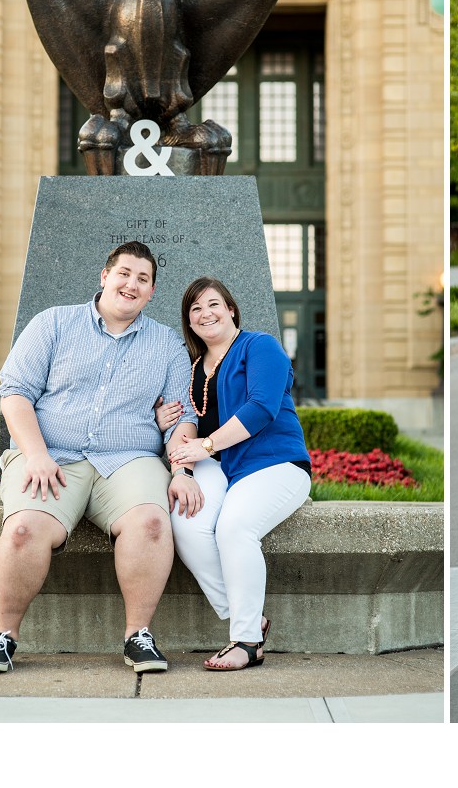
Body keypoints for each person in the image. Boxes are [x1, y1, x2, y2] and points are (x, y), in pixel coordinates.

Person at [0, 241, 198, 674]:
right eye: (124, 274)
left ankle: (139, 636)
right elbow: (15, 392)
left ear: (152, 292)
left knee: (152, 522)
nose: (131, 284)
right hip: (52, 456)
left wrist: (182, 469)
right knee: (23, 529)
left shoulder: (167, 345)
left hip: (127, 460)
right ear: (104, 276)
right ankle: (3, 635)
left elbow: (181, 416)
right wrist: (35, 455)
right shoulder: (53, 324)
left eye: (143, 279)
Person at [159, 276, 313, 670]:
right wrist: (180, 460)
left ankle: (245, 641)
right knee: (186, 521)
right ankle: (250, 618)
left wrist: (207, 446)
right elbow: (185, 423)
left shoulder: (259, 346)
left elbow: (262, 407)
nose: (205, 313)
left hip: (275, 463)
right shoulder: (192, 367)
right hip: (224, 466)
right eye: (195, 309)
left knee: (234, 528)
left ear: (231, 309)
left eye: (213, 304)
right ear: (189, 323)